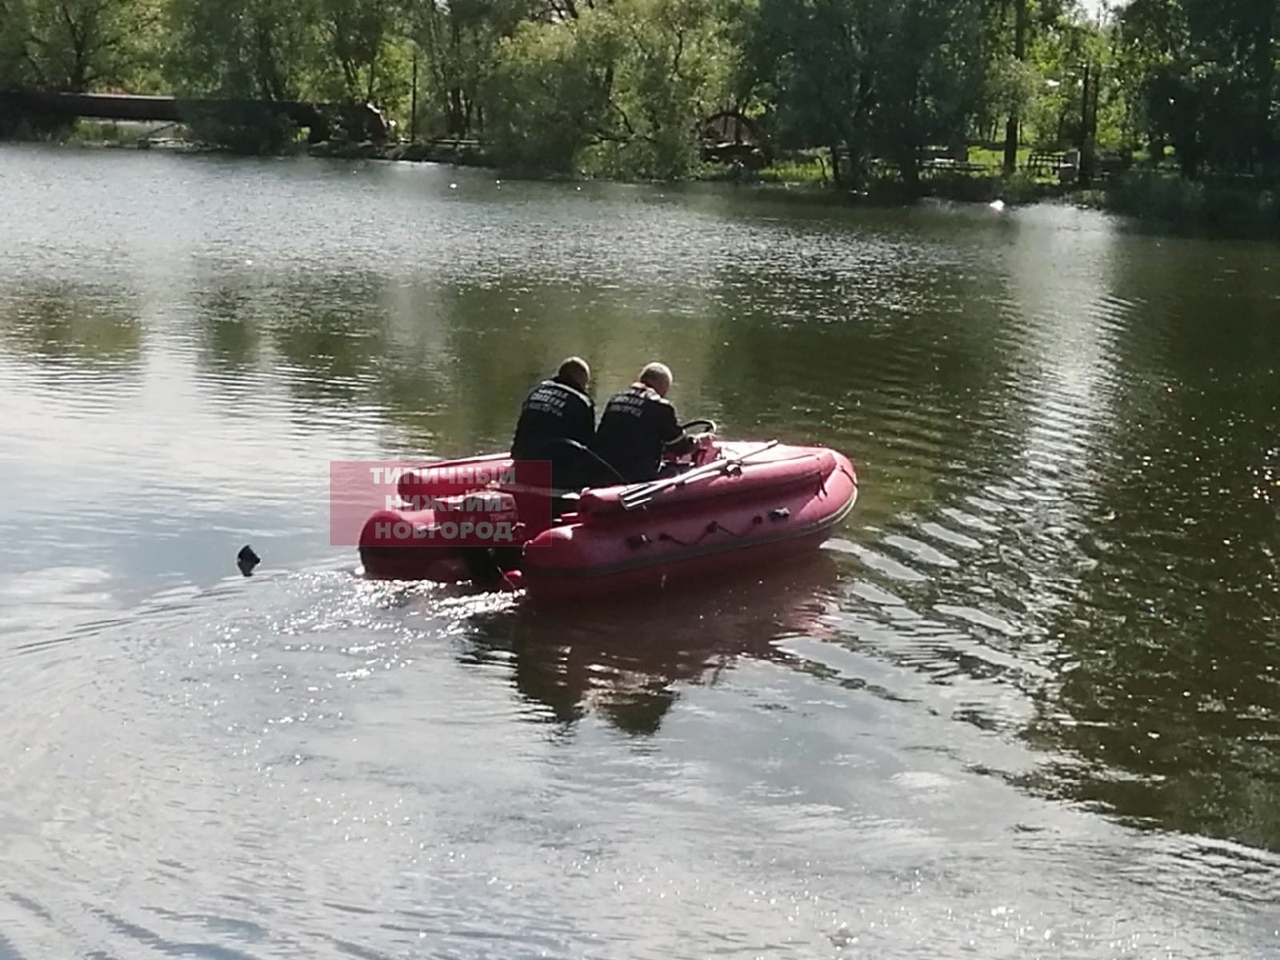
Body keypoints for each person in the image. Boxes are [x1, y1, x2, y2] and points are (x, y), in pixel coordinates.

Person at [590, 361, 696, 484]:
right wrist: (695, 443)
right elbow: (679, 446)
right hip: (634, 476)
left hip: (601, 471)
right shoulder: (660, 406)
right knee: (680, 472)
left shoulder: (615, 399)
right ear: (662, 385)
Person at [510, 356, 596, 492]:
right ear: (581, 380)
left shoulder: (535, 392)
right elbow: (587, 448)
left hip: (521, 464)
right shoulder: (581, 403)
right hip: (554, 475)